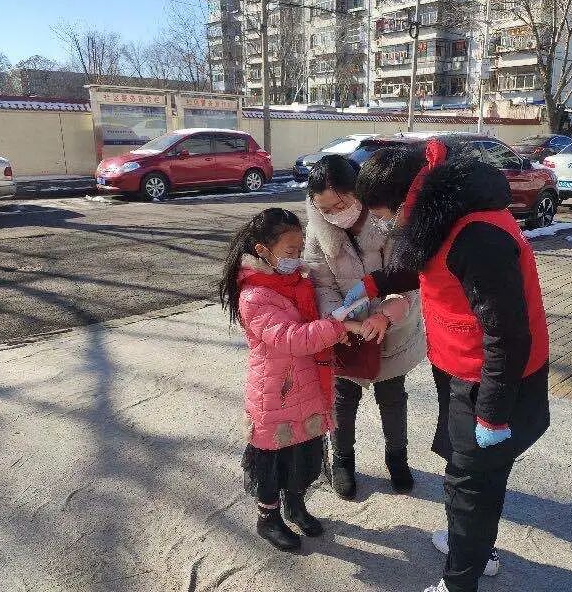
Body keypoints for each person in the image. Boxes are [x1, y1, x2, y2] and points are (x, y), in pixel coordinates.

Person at [345, 142, 551, 592]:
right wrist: (373, 283)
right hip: (460, 363)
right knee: (474, 471)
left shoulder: (477, 237)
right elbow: (425, 265)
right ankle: (475, 547)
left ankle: (460, 580)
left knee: (470, 479)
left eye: (382, 215)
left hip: (490, 376)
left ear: (406, 199)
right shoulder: (443, 215)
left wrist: (492, 414)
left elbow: (507, 335)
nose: (382, 225)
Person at [218, 207, 362, 551]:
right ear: (262, 250)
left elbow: (312, 325)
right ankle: (267, 518)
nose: (296, 257)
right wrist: (337, 327)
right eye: (289, 251)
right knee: (273, 461)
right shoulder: (254, 295)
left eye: (300, 249)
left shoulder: (298, 282)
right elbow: (292, 338)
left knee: (304, 457)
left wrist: (339, 324)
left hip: (307, 385)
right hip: (275, 392)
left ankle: (296, 505)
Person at [303, 155, 426, 499]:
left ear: (357, 192)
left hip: (394, 329)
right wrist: (343, 321)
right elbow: (321, 285)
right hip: (346, 333)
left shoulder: (389, 219)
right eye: (325, 209)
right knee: (343, 399)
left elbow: (408, 280)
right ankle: (342, 460)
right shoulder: (317, 232)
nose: (334, 213)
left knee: (392, 397)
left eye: (340, 204)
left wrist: (385, 315)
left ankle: (397, 458)